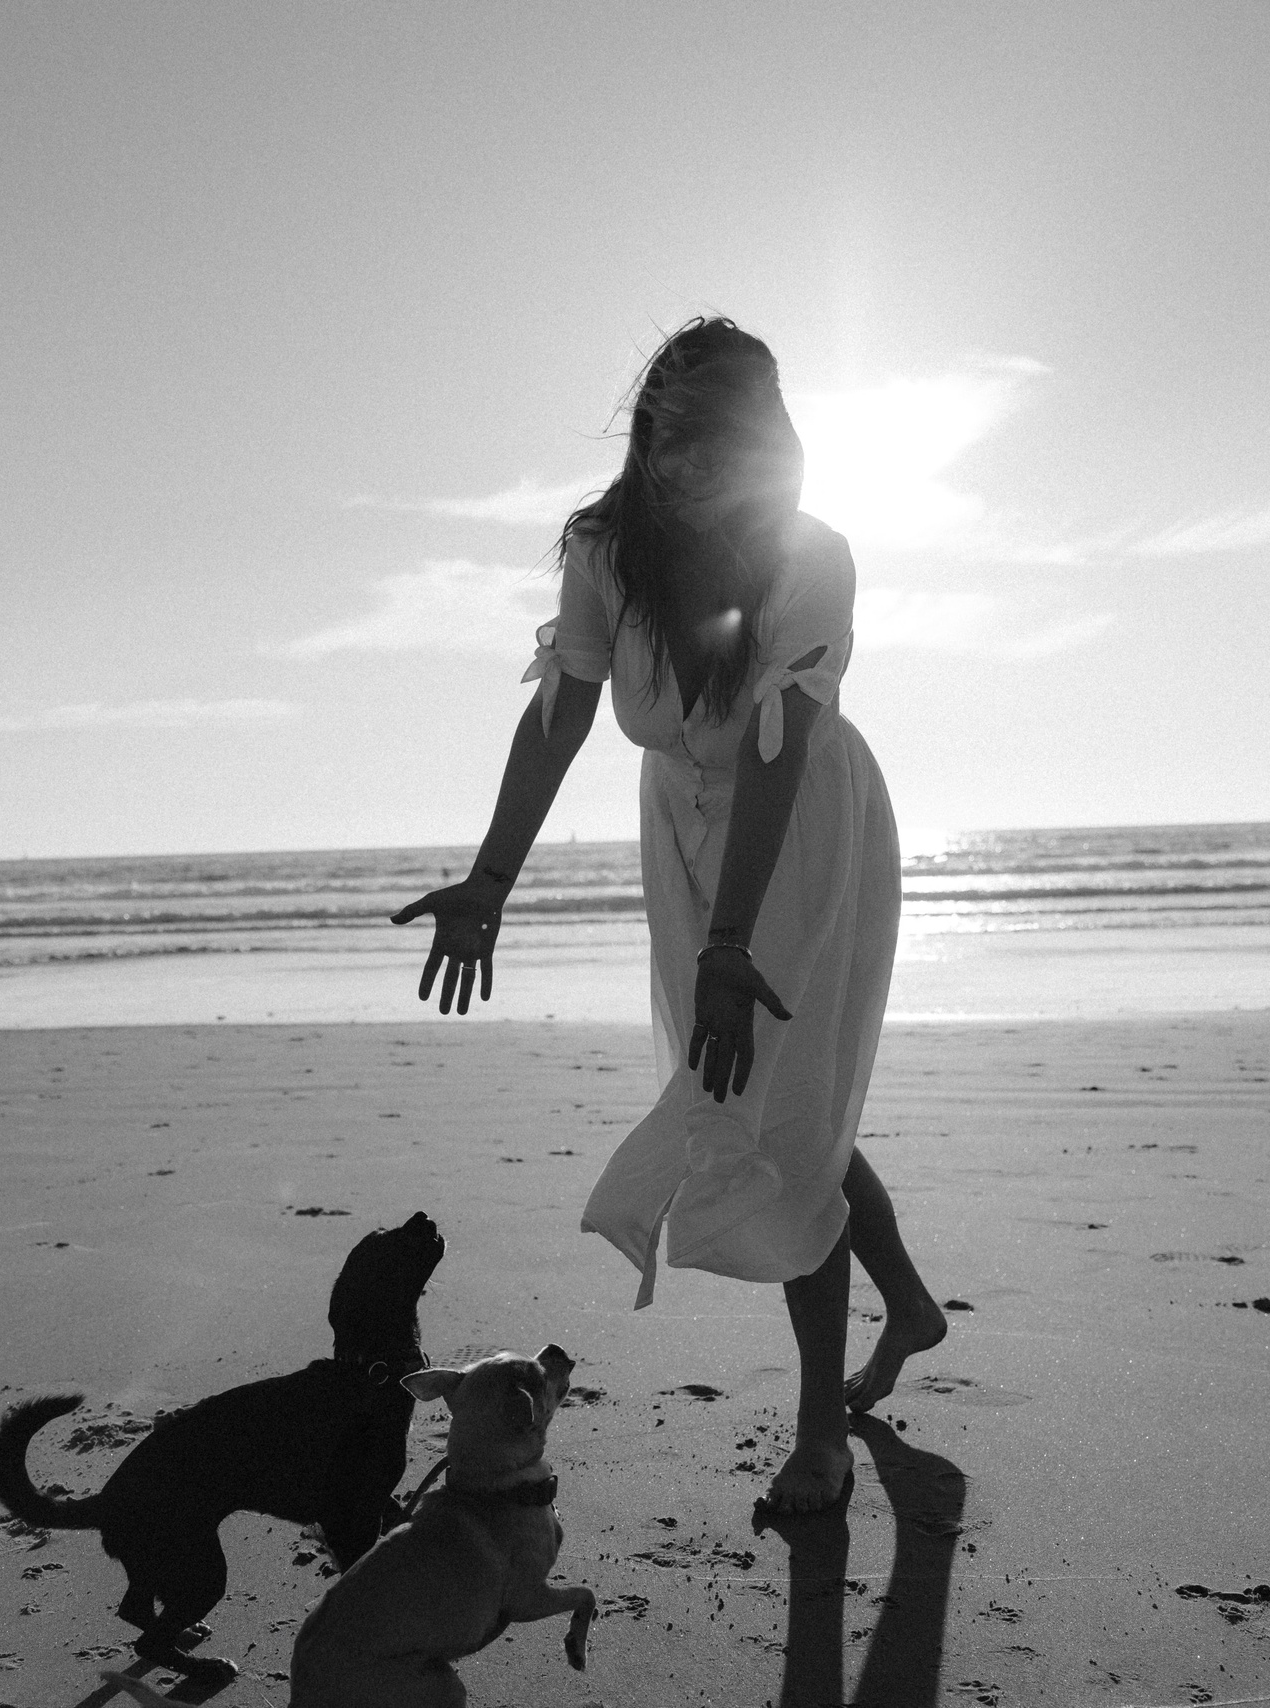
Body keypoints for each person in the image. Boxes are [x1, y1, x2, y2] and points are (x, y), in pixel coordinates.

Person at [391, 318, 944, 1512]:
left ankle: (818, 1440)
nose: (687, 460)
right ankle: (904, 1301)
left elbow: (782, 751)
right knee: (773, 1099)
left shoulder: (810, 555)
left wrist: (734, 940)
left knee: (778, 1115)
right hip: (684, 835)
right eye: (667, 431)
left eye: (717, 439)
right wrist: (489, 881)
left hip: (800, 837)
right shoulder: (601, 547)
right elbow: (560, 717)